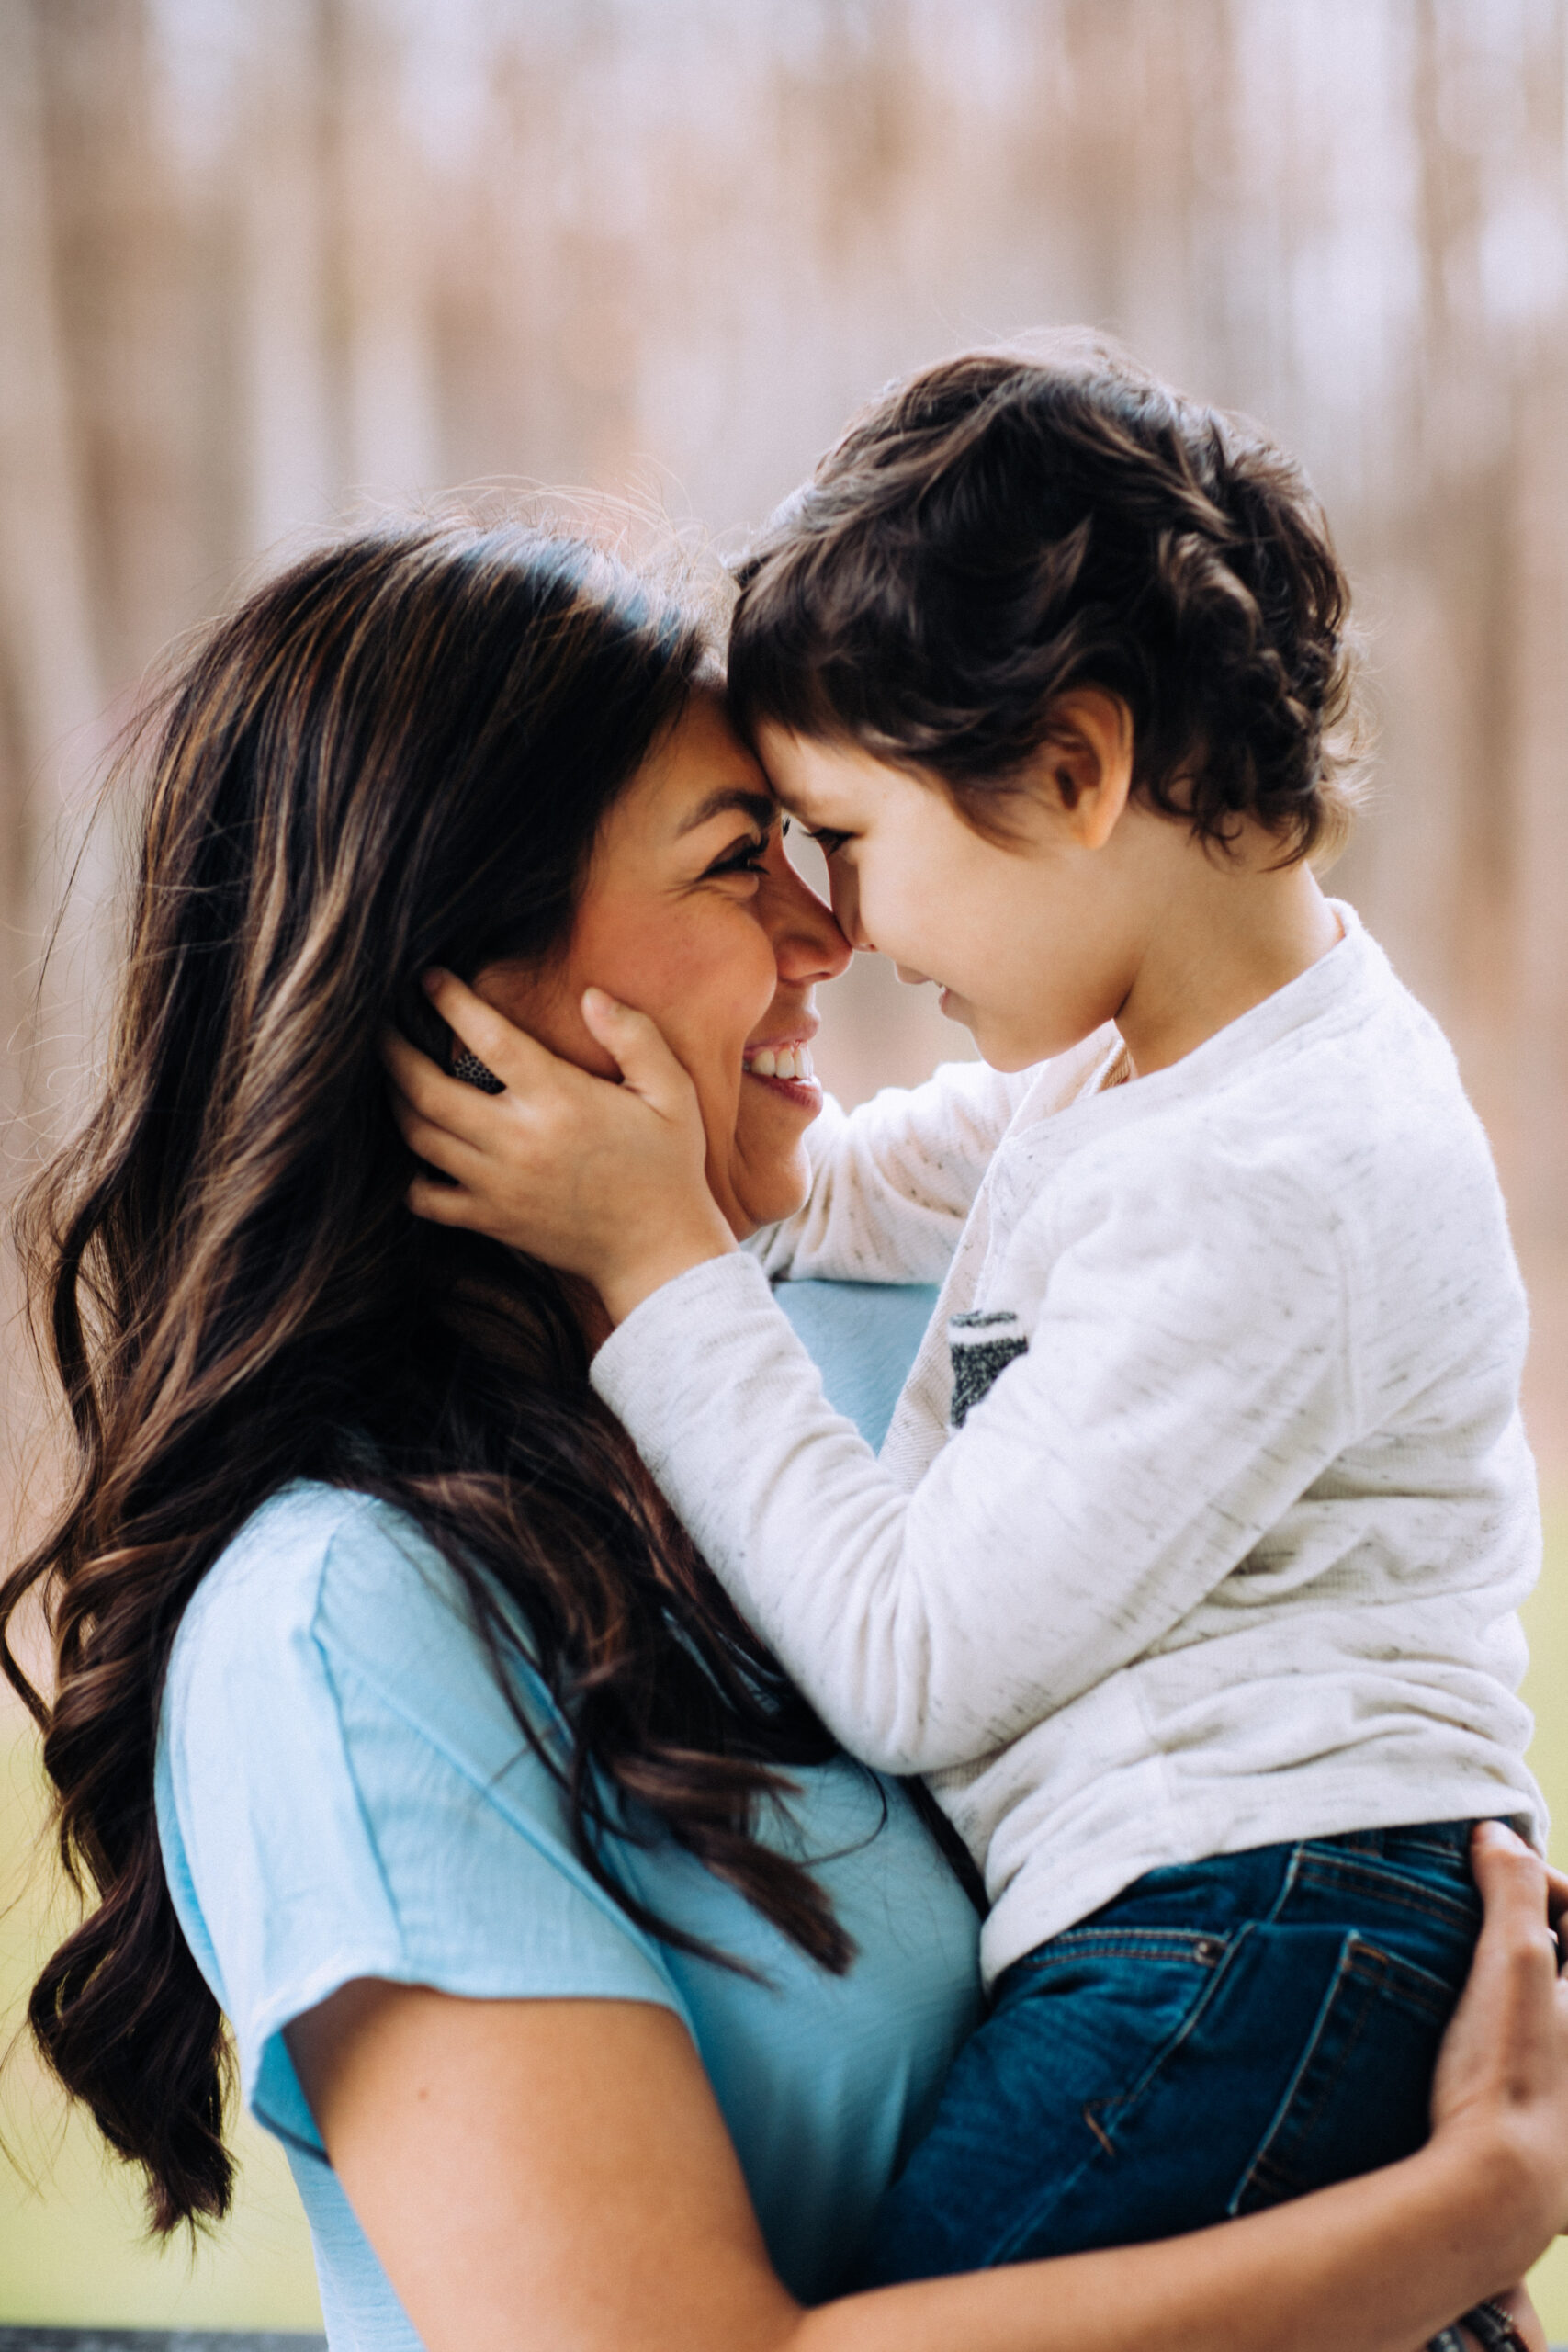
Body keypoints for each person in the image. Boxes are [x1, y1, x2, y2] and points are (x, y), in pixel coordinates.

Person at [4, 514, 1564, 2352]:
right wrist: (1467, 2208)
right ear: (456, 976)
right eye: (745, 859)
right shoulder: (345, 1626)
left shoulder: (818, 1386)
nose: (838, 931)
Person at [384, 348, 1550, 2293]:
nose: (835, 922)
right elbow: (837, 1180)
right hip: (1242, 1919)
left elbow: (910, 1655)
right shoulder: (1145, 1073)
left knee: (917, 2327)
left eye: (844, 832)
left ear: (1076, 771)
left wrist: (644, 1264)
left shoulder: (1271, 1183)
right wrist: (642, 1120)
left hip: (1253, 1924)